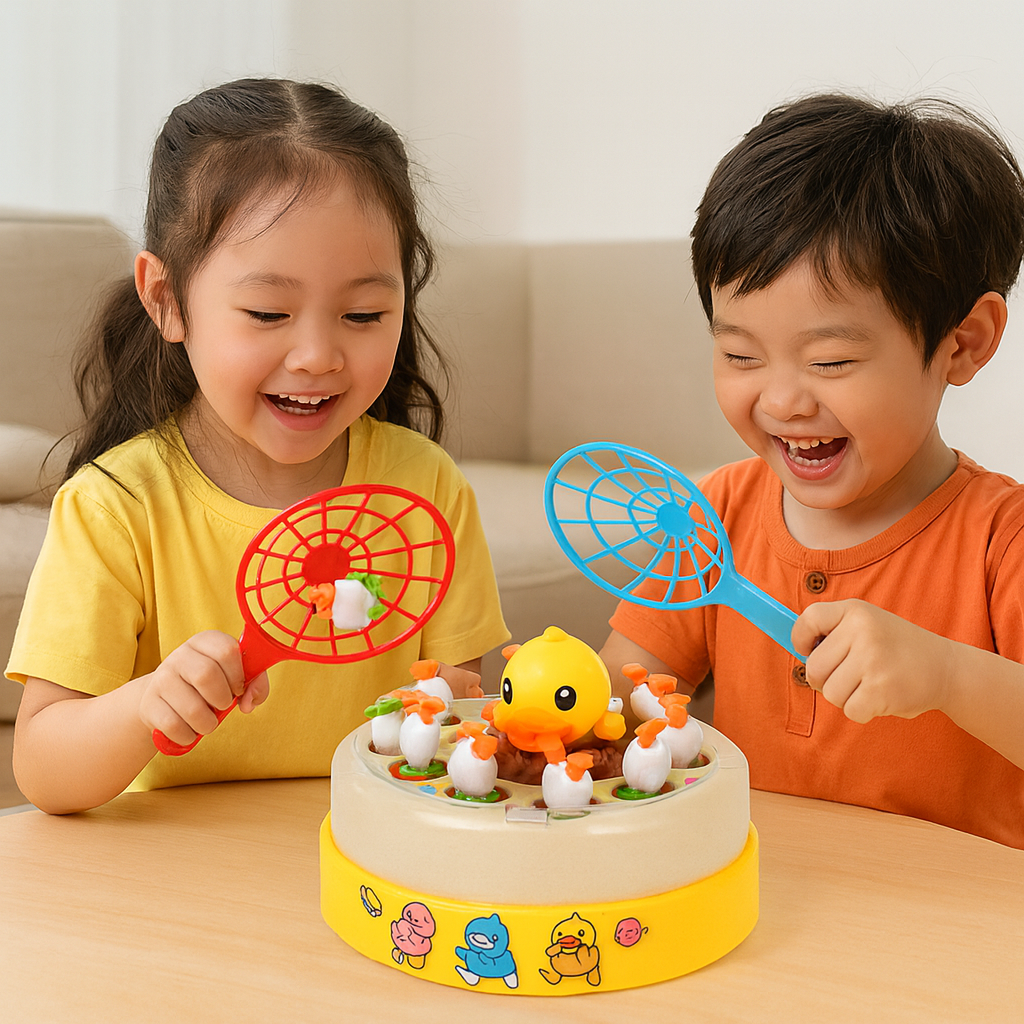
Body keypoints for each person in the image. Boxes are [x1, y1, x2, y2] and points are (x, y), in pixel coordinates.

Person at [6, 78, 509, 814]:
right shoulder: (116, 506)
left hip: (367, 859)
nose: (316, 355)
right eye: (269, 311)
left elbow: (457, 716)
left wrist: (458, 714)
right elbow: (45, 773)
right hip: (180, 876)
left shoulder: (427, 490)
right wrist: (149, 703)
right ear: (166, 300)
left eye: (364, 313)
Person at [602, 93, 1024, 848]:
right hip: (763, 902)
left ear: (964, 342)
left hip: (962, 927)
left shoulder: (1003, 541)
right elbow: (622, 694)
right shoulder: (711, 517)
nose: (783, 400)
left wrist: (951, 678)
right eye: (740, 356)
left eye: (831, 361)